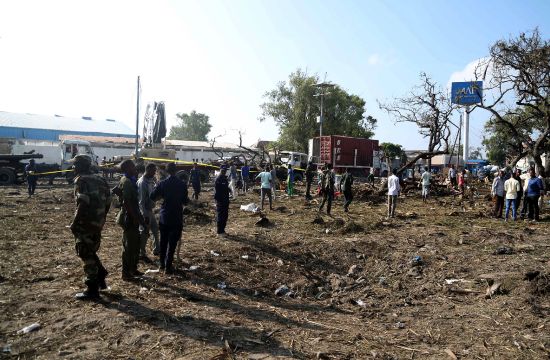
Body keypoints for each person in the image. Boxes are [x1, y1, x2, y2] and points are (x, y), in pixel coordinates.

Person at [69, 155, 111, 300]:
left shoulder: (81, 180)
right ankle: (101, 276)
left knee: (85, 253)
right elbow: (108, 201)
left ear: (81, 166)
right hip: (97, 222)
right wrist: (101, 218)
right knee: (91, 250)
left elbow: (82, 203)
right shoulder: (101, 179)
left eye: (75, 165)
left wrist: (74, 223)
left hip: (85, 223)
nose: (73, 168)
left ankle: (92, 289)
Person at [150, 162, 188, 274]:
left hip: (164, 215)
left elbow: (152, 196)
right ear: (176, 171)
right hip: (176, 216)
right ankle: (168, 266)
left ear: (166, 171)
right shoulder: (182, 184)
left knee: (163, 241)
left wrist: (162, 195)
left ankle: (161, 264)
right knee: (172, 243)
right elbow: (185, 201)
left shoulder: (162, 183)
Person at [115, 159, 146, 280]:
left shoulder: (130, 180)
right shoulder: (127, 182)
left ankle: (133, 269)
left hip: (133, 215)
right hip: (129, 217)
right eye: (133, 166)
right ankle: (126, 273)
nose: (135, 168)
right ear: (128, 168)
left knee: (135, 244)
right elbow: (127, 202)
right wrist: (134, 218)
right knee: (129, 246)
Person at [137, 163, 160, 259]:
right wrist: (144, 215)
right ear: (148, 170)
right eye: (153, 171)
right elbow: (141, 201)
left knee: (155, 229)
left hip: (150, 210)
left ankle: (157, 250)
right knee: (144, 233)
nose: (155, 173)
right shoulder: (142, 182)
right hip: (145, 211)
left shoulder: (150, 180)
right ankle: (141, 252)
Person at [214, 165, 231, 237]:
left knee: (225, 216)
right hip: (221, 201)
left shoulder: (224, 178)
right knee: (221, 216)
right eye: (223, 170)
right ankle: (219, 231)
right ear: (220, 170)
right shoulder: (219, 179)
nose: (225, 171)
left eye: (225, 170)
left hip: (225, 200)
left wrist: (229, 190)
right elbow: (217, 191)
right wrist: (219, 201)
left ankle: (223, 230)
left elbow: (225, 188)